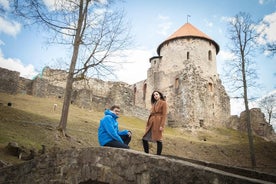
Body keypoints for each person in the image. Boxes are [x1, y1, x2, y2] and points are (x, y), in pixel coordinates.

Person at [142, 90, 167, 155]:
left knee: (158, 139)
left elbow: (164, 115)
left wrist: (162, 125)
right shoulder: (154, 104)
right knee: (144, 138)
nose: (155, 96)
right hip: (151, 122)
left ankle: (158, 156)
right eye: (154, 95)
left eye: (157, 94)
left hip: (158, 122)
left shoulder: (163, 103)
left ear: (160, 95)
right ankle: (146, 154)